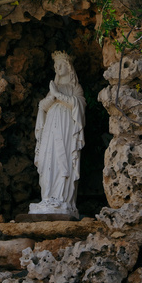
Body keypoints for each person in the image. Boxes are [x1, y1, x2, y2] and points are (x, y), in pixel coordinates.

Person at [29, 51, 86, 219]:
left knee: (63, 161)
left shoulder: (74, 87)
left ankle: (62, 200)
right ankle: (47, 197)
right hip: (50, 129)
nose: (57, 68)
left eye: (61, 65)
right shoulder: (53, 87)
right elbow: (43, 107)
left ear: (68, 67)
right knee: (48, 159)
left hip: (66, 128)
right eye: (56, 65)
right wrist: (51, 96)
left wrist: (58, 95)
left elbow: (79, 104)